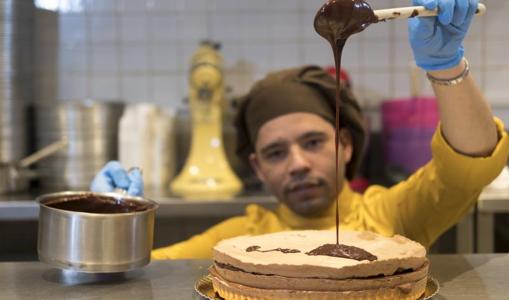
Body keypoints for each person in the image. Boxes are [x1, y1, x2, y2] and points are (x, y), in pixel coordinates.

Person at [91, 0, 508, 259]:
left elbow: (471, 166)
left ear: (345, 145)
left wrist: (446, 65)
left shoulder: (392, 216)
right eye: (276, 153)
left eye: (313, 142)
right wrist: (106, 220)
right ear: (257, 168)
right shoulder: (241, 240)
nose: (297, 164)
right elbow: (140, 274)